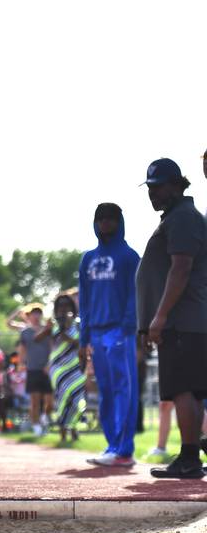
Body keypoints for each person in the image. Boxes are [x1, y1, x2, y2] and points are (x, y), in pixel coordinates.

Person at [133, 159, 207, 479]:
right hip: (185, 320)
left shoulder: (183, 218)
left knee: (183, 389)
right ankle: (191, 453)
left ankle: (190, 458)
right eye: (150, 188)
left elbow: (181, 269)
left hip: (182, 320)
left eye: (159, 186)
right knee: (188, 389)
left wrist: (159, 316)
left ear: (178, 185)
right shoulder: (177, 217)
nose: (153, 193)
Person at [79, 202, 140, 467]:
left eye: (110, 218)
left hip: (120, 331)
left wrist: (128, 327)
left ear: (119, 221)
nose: (105, 222)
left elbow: (135, 295)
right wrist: (84, 338)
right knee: (104, 391)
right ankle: (112, 445)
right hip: (96, 333)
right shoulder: (87, 258)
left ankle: (124, 450)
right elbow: (84, 299)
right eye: (100, 218)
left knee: (124, 389)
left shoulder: (129, 256)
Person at [36, 294, 87, 442]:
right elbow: (37, 339)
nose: (64, 308)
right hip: (58, 368)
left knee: (77, 399)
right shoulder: (53, 325)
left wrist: (67, 337)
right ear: (57, 308)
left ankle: (74, 428)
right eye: (61, 306)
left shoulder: (78, 324)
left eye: (67, 305)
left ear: (72, 307)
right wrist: (48, 329)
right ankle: (63, 431)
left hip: (75, 367)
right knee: (62, 398)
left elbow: (81, 344)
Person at [8, 304, 53, 436]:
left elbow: (52, 347)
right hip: (33, 369)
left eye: (39, 313)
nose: (36, 315)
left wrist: (49, 364)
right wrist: (21, 364)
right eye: (34, 313)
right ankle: (36, 427)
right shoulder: (25, 331)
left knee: (49, 401)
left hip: (46, 369)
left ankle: (45, 417)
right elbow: (22, 349)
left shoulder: (47, 329)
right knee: (34, 400)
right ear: (29, 315)